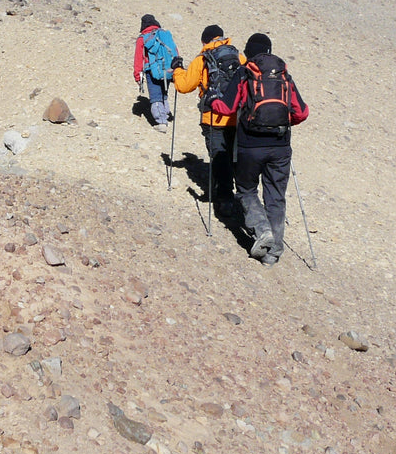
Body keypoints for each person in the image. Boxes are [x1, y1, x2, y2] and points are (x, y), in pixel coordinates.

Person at [211, 33, 309, 266]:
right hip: (281, 146)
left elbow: (226, 107)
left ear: (249, 51)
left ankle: (262, 229)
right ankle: (273, 253)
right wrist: (283, 125)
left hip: (250, 145)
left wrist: (212, 100)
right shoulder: (283, 75)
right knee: (276, 196)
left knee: (246, 190)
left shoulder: (245, 73)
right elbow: (302, 112)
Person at [171, 25, 244, 216]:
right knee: (235, 157)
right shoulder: (239, 56)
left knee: (219, 158)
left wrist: (177, 69)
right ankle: (246, 198)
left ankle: (225, 199)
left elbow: (184, 86)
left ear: (204, 41)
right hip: (237, 117)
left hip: (213, 117)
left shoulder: (202, 59)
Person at [132, 14, 178, 132]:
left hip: (151, 70)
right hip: (167, 69)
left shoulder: (142, 38)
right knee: (164, 93)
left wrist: (137, 75)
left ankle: (161, 122)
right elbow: (174, 50)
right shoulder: (163, 34)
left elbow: (138, 58)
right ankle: (166, 113)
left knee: (155, 96)